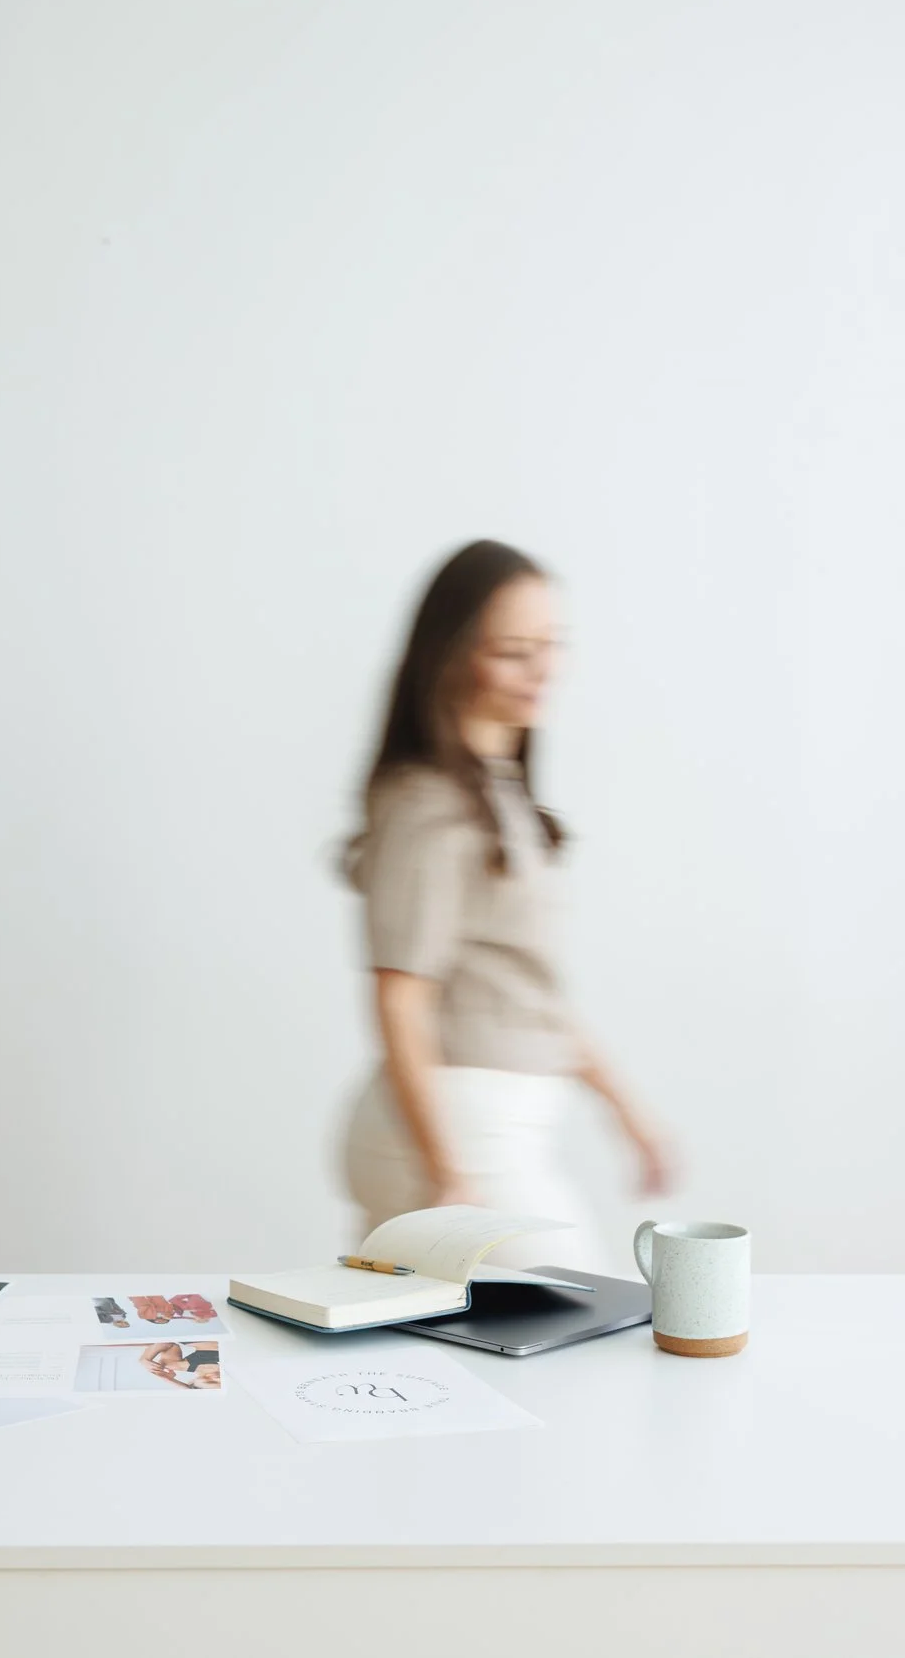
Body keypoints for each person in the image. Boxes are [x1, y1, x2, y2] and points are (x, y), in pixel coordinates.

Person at [339, 540, 672, 1274]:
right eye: (516, 649)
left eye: (553, 645)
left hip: (496, 1126)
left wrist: (626, 1111)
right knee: (580, 1316)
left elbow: (528, 992)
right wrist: (447, 1173)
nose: (545, 668)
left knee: (475, 1369)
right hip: (458, 1131)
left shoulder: (501, 796)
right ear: (452, 656)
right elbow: (400, 995)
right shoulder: (426, 804)